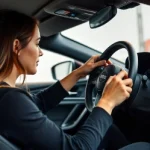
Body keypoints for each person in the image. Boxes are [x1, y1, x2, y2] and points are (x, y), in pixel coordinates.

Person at [0, 10, 133, 150]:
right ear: (16, 46)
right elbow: (77, 148)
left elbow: (39, 103)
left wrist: (78, 73)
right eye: (37, 43)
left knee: (109, 131)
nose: (41, 52)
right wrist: (107, 101)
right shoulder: (10, 100)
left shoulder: (8, 98)